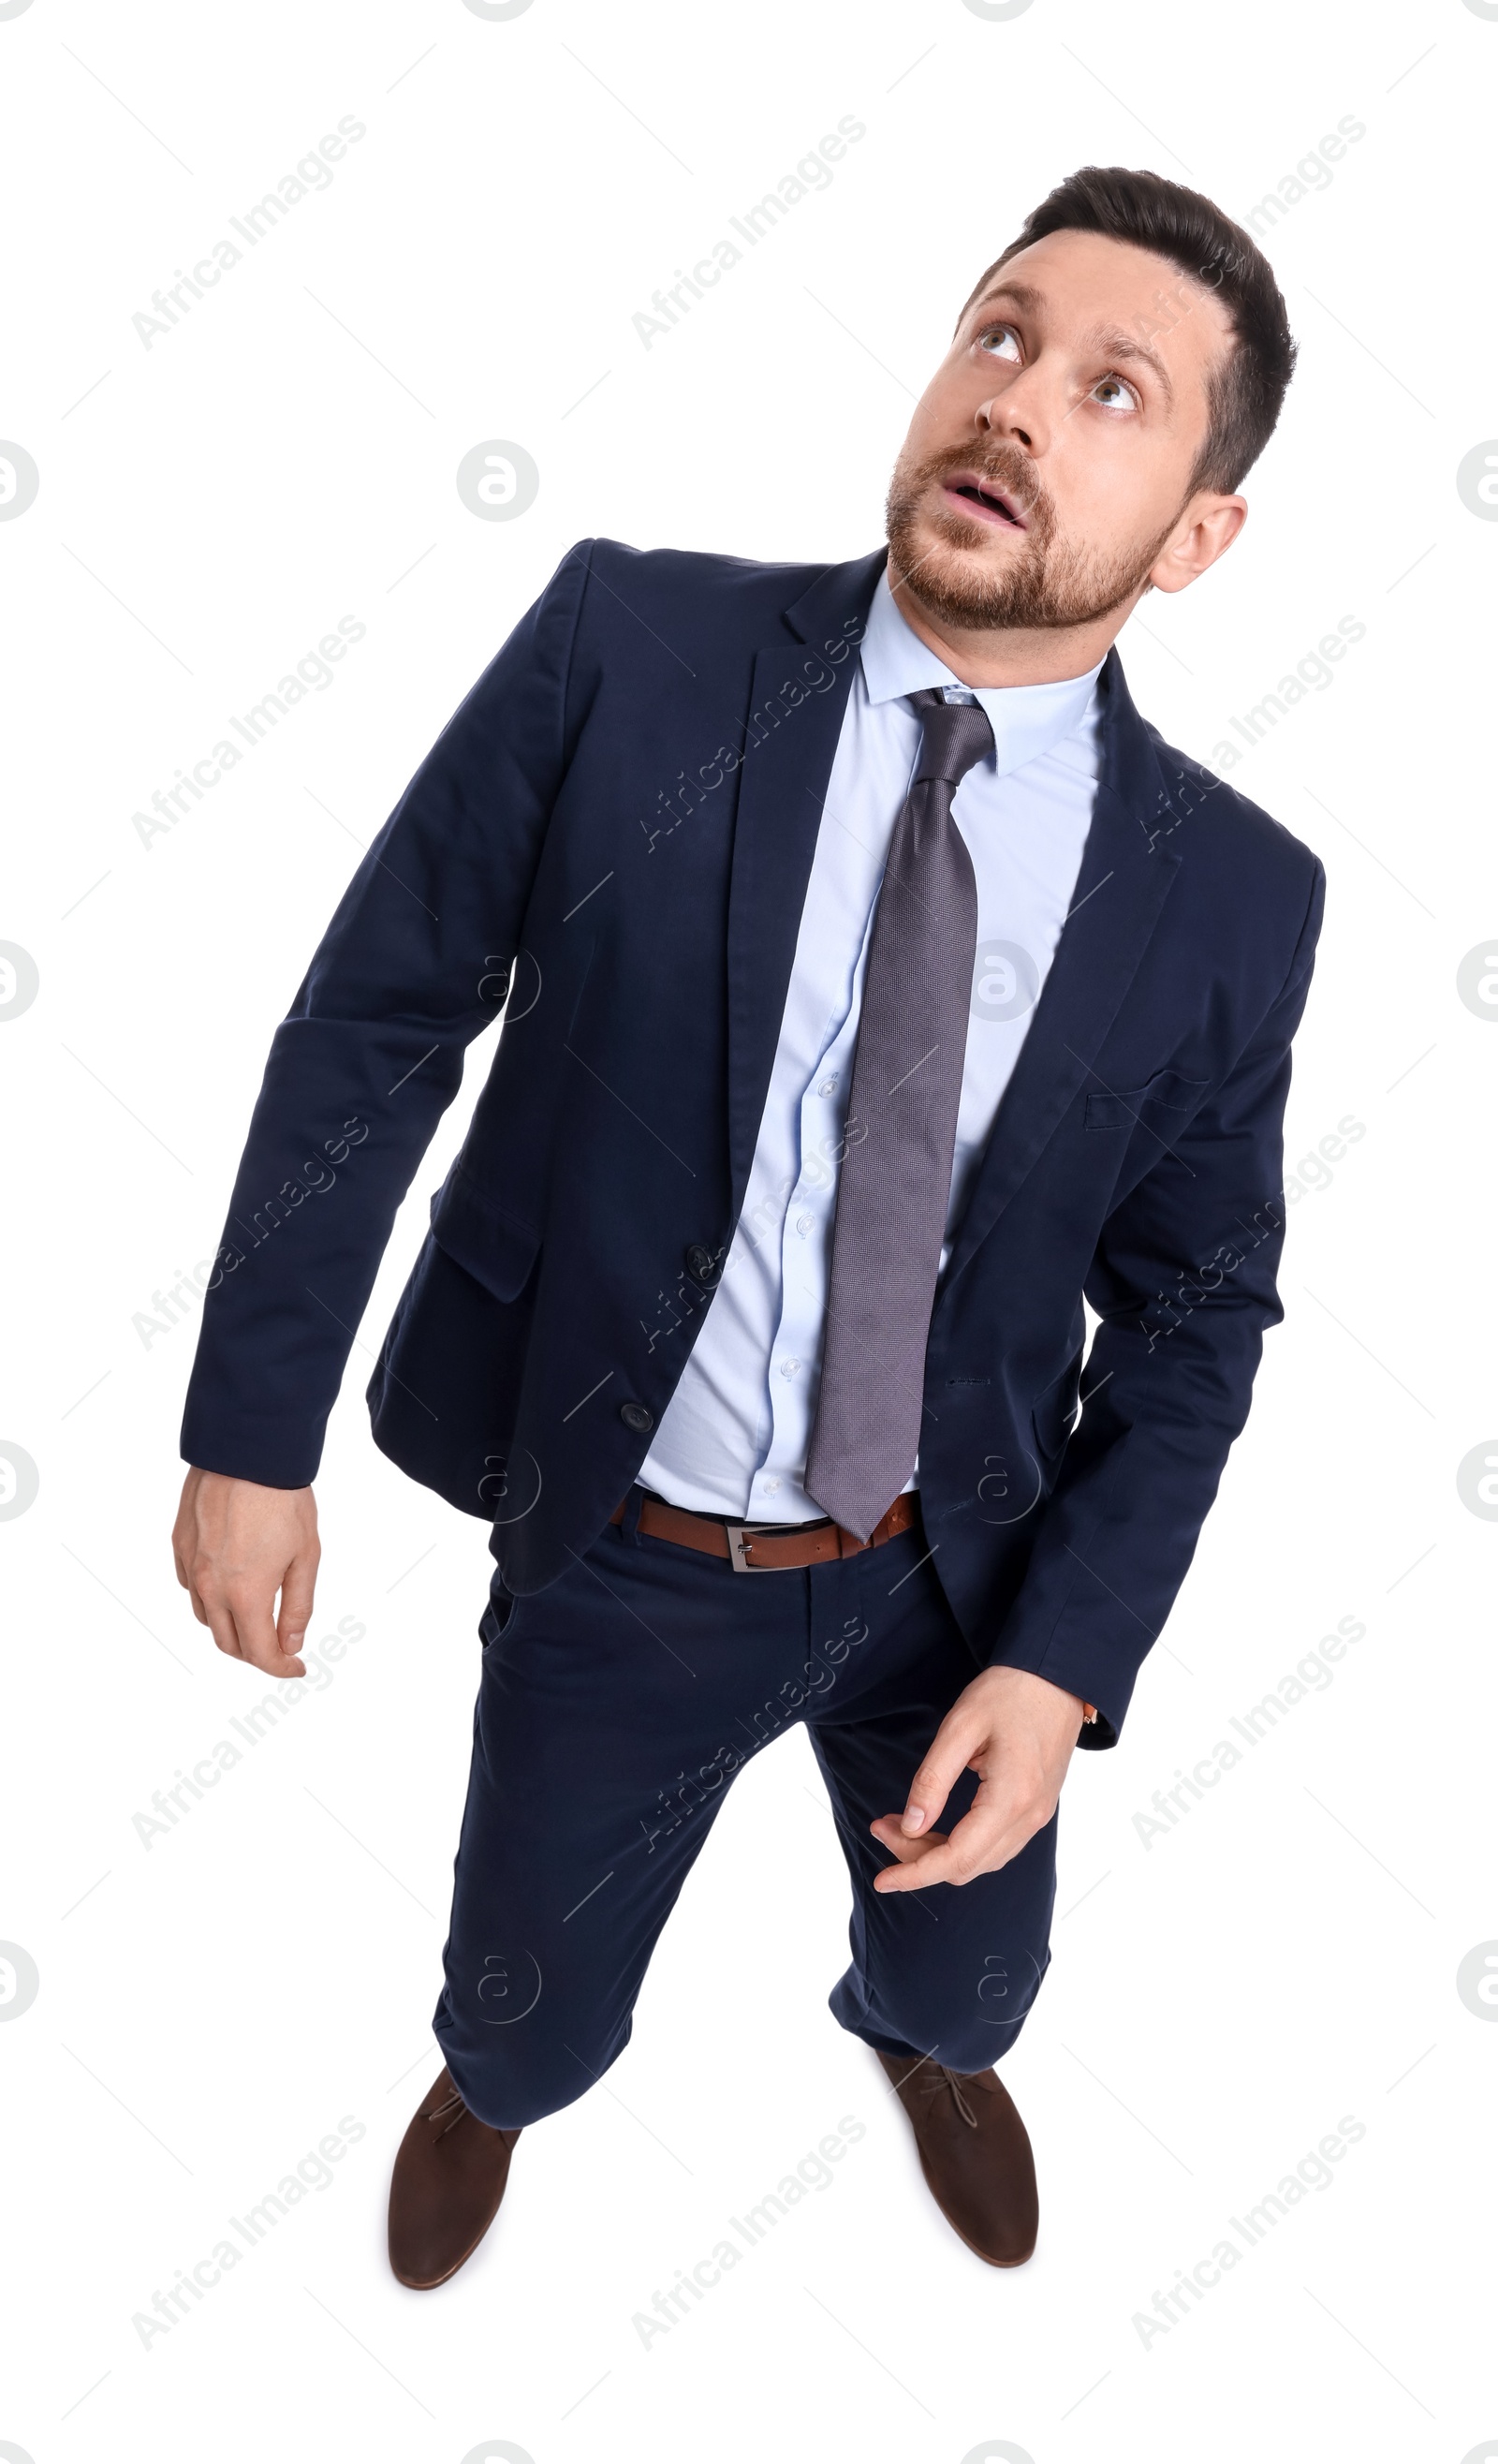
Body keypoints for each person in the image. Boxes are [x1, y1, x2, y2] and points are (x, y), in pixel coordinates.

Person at [172, 164, 1323, 2288]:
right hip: (620, 1538)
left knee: (974, 1981)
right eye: (994, 335)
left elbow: (1191, 1310)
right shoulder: (633, 644)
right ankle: (490, 2092)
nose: (1013, 404)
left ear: (1193, 535)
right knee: (523, 2006)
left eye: (1108, 388)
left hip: (949, 1577)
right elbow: (377, 1019)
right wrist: (254, 1427)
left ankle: (915, 2036)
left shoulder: (1237, 896)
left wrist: (1063, 1665)